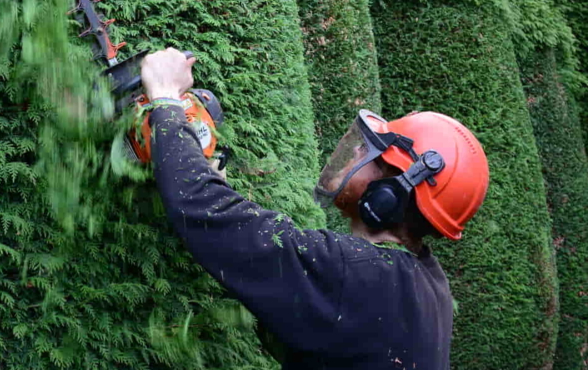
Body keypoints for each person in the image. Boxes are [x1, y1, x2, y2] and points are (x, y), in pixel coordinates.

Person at [139, 48, 490, 370]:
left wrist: (166, 99)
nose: (354, 155)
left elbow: (208, 214)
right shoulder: (427, 287)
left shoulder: (356, 273)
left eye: (370, 156)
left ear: (391, 194)